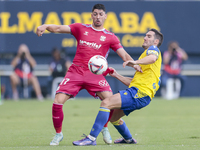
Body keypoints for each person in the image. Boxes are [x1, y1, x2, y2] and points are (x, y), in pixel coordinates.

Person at [36, 4, 140, 146]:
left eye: (100, 14)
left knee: (110, 100)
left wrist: (135, 64)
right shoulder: (80, 28)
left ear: (105, 16)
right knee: (57, 101)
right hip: (76, 71)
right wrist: (45, 25)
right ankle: (58, 134)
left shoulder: (110, 37)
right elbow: (59, 28)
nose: (98, 17)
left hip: (95, 74)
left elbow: (124, 55)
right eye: (95, 14)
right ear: (91, 15)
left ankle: (104, 128)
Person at [72, 28, 163, 146]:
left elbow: (152, 58)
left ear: (155, 41)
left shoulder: (153, 50)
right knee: (114, 118)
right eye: (145, 35)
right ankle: (128, 139)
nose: (145, 38)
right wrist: (116, 75)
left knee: (106, 103)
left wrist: (135, 62)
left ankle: (91, 138)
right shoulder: (147, 60)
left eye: (149, 36)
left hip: (139, 93)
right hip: (141, 94)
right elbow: (134, 82)